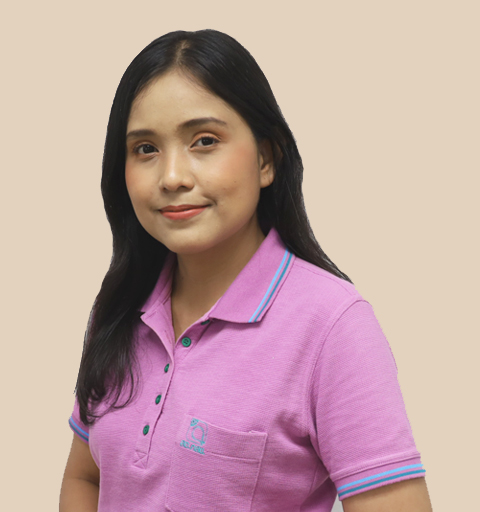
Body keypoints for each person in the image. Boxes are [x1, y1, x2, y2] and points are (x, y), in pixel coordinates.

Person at [59, 29, 432, 512]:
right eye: (146, 149)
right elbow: (87, 476)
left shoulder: (332, 327)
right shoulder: (120, 308)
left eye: (204, 141)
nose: (172, 177)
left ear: (265, 159)